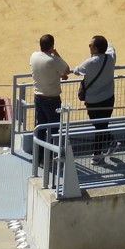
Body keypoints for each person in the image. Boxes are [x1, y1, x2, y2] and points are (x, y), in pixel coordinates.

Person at [73, 35, 118, 166]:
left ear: (96, 48)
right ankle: (109, 143)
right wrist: (105, 43)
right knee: (102, 125)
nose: (89, 47)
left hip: (93, 102)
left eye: (90, 45)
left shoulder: (90, 62)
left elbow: (76, 71)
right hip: (109, 98)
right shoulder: (111, 57)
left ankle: (98, 154)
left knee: (99, 127)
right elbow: (111, 47)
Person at [29, 34, 70, 163]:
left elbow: (47, 70)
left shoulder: (34, 56)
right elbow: (67, 70)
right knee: (54, 130)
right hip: (52, 99)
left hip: (38, 97)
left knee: (40, 128)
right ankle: (50, 159)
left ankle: (38, 158)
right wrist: (57, 55)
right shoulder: (53, 60)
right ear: (52, 46)